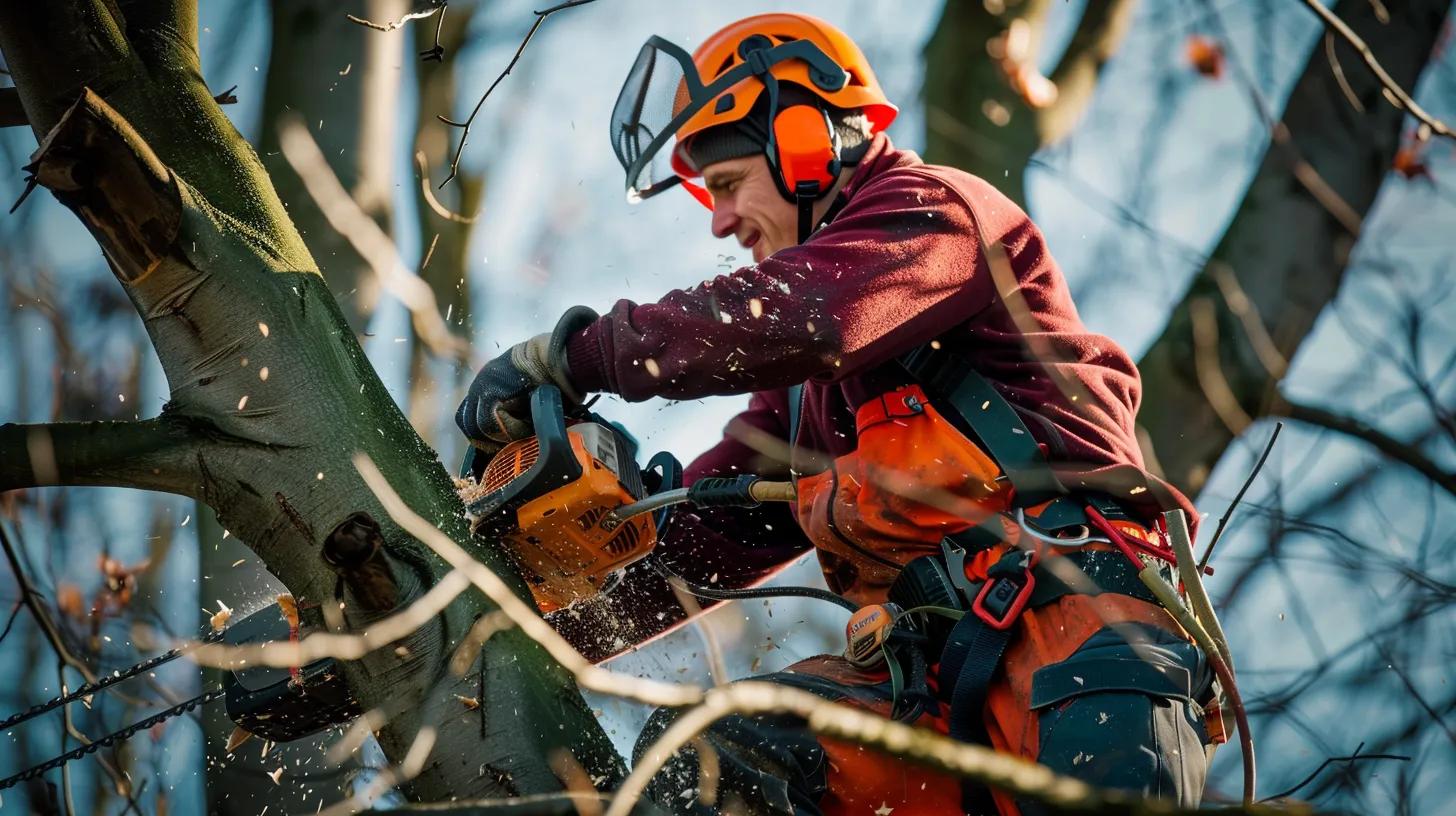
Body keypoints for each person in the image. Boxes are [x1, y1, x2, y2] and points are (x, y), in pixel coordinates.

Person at [457, 13, 1219, 816]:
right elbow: (700, 547)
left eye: (724, 185)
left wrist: (573, 356)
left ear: (803, 139)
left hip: (1082, 655)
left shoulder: (934, 216)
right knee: (717, 759)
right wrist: (508, 615)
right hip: (931, 697)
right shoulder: (801, 408)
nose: (717, 220)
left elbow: (804, 317)